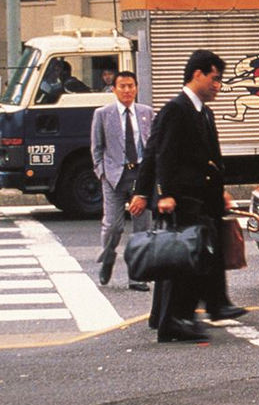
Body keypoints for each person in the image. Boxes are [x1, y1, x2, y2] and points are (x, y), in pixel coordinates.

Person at [132, 50, 243, 343]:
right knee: (183, 259)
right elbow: (161, 154)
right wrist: (163, 194)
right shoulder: (176, 110)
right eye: (215, 79)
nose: (218, 85)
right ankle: (174, 321)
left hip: (203, 197)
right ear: (198, 75)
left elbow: (211, 158)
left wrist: (221, 192)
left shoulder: (202, 111)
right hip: (183, 198)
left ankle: (192, 311)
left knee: (195, 257)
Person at [91, 71, 153, 291]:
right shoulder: (103, 114)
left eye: (130, 86)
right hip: (114, 176)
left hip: (140, 176)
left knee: (142, 228)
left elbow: (152, 147)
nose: (127, 90)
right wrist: (102, 173)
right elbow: (96, 148)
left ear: (136, 88)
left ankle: (137, 275)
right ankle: (107, 257)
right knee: (114, 226)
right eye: (122, 86)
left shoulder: (146, 112)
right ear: (114, 89)